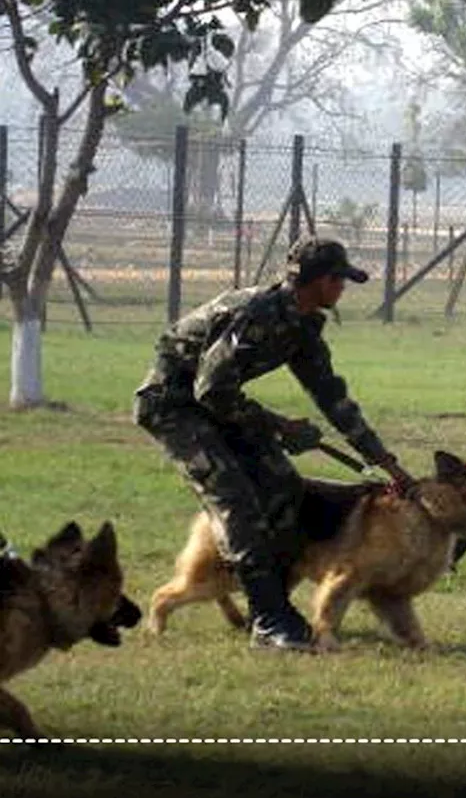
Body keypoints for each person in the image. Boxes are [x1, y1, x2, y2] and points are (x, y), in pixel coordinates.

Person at [133, 236, 418, 651]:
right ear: (317, 281)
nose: (342, 290)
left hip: (219, 407)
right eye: (339, 280)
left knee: (284, 488)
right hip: (173, 407)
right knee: (237, 500)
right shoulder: (256, 314)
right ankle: (269, 621)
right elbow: (210, 390)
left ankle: (271, 603)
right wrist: (278, 426)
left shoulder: (301, 325)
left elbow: (333, 400)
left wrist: (387, 464)